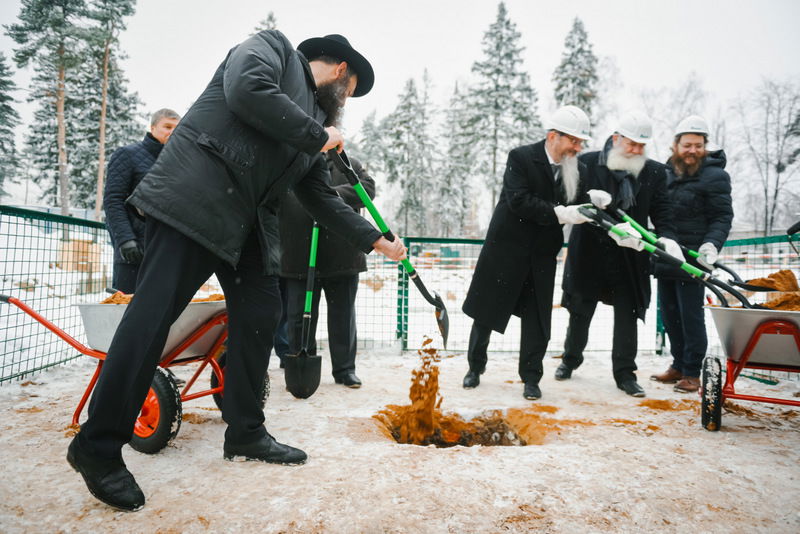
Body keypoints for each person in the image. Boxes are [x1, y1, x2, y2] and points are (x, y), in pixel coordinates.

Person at [66, 31, 406, 513]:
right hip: (195, 201)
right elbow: (246, 90)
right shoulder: (270, 49)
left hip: (247, 228)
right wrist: (317, 136)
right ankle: (96, 446)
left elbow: (320, 198)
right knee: (151, 320)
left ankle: (245, 431)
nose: (345, 103)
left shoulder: (309, 125)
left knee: (261, 316)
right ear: (340, 71)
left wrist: (375, 239)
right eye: (350, 91)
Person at [462, 105, 594, 401]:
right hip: (506, 248)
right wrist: (560, 213)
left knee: (537, 319)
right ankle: (475, 367)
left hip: (542, 255)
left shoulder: (578, 169)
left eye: (580, 142)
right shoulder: (521, 158)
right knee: (486, 312)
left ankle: (531, 377)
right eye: (573, 140)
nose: (578, 147)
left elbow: (581, 203)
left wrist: (596, 204)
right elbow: (519, 200)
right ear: (552, 137)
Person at [555, 111, 680, 398]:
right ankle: (569, 360)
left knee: (628, 314)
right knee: (580, 312)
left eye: (641, 146)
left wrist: (668, 238)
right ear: (616, 138)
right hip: (589, 253)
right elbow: (568, 199)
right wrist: (587, 205)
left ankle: (625, 374)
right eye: (631, 143)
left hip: (631, 255)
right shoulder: (586, 163)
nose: (636, 150)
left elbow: (663, 211)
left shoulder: (654, 172)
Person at [651, 115, 733, 393]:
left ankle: (692, 371)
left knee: (690, 315)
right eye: (687, 145)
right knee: (670, 314)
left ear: (705, 146)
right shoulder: (665, 172)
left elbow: (722, 216)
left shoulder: (715, 175)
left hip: (695, 258)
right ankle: (677, 364)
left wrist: (711, 245)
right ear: (676, 144)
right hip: (666, 254)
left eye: (698, 145)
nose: (692, 151)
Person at [279, 154, 375, 388]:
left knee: (342, 316)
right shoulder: (289, 162)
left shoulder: (347, 163)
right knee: (300, 317)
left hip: (343, 255)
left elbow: (367, 189)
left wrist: (326, 197)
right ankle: (302, 365)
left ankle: (345, 370)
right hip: (297, 254)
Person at [103, 109, 181, 293]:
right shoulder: (127, 155)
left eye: (177, 129)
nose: (172, 132)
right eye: (167, 126)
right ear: (153, 127)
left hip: (166, 249)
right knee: (127, 307)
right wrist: (125, 239)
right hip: (134, 249)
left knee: (160, 307)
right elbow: (113, 200)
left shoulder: (178, 162)